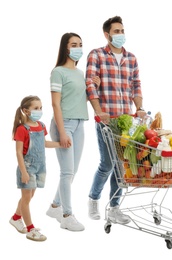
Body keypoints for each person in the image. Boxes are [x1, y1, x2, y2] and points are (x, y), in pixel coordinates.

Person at [86, 16, 146, 223]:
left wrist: (139, 108)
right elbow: (90, 85)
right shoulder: (97, 55)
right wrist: (98, 110)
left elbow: (136, 85)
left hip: (125, 121)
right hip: (106, 120)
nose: (121, 34)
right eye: (116, 31)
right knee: (107, 164)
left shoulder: (131, 58)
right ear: (107, 34)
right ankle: (93, 199)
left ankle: (114, 207)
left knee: (121, 165)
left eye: (122, 30)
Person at [46, 32, 99, 231]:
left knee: (72, 171)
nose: (78, 47)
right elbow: (55, 104)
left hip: (79, 124)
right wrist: (62, 132)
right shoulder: (58, 72)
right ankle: (67, 215)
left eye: (80, 44)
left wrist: (93, 86)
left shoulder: (79, 72)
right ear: (65, 48)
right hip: (64, 124)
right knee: (67, 172)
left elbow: (77, 100)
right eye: (74, 44)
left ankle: (54, 207)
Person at [10, 95, 64, 242]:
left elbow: (44, 144)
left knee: (29, 196)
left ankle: (16, 218)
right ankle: (30, 229)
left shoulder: (41, 126)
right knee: (26, 198)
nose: (39, 110)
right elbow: (18, 153)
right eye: (36, 108)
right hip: (27, 167)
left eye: (40, 108)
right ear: (26, 111)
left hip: (40, 166)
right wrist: (24, 172)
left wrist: (60, 144)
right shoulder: (22, 129)